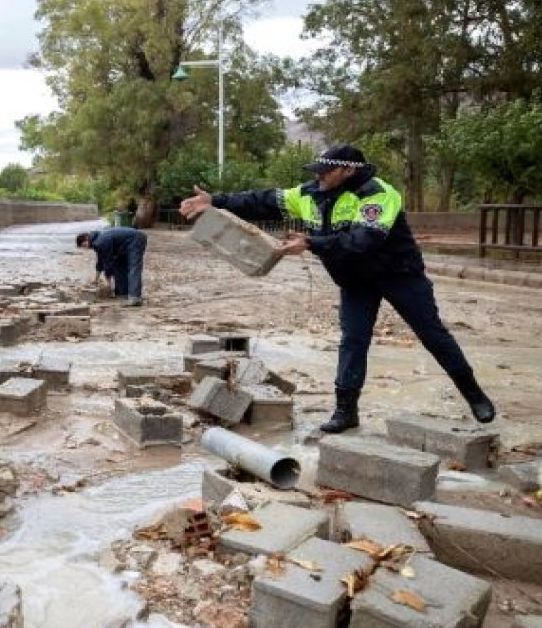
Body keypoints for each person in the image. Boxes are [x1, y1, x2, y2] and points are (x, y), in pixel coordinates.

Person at [179, 144, 496, 432]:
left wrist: (311, 243)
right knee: (353, 341)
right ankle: (346, 411)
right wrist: (215, 201)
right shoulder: (309, 194)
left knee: (433, 335)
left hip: (399, 275)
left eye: (325, 171)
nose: (319, 177)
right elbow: (262, 201)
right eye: (316, 172)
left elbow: (362, 241)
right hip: (355, 281)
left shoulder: (377, 194)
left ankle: (475, 396)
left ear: (348, 170)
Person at [76, 227, 148, 307]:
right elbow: (100, 262)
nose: (86, 248)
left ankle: (135, 297)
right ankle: (123, 293)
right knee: (118, 266)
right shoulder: (97, 241)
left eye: (84, 245)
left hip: (136, 240)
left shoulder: (101, 241)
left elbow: (108, 262)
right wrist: (96, 279)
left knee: (133, 267)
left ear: (87, 238)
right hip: (124, 245)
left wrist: (108, 282)